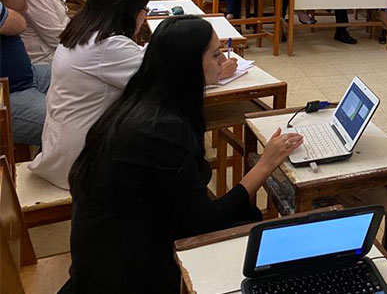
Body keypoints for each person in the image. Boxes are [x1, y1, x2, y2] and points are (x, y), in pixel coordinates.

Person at [63, 16, 304, 293]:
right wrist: (265, 164)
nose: (222, 60)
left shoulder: (140, 101)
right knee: (255, 229)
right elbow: (204, 220)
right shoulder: (163, 128)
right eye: (215, 55)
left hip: (102, 252)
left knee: (245, 212)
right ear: (188, 65)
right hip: (126, 274)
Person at [28, 0, 238, 189]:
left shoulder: (84, 29)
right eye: (144, 9)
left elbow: (138, 56)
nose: (145, 14)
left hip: (65, 141)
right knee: (177, 150)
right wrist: (214, 72)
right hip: (83, 159)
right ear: (130, 11)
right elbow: (166, 81)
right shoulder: (107, 46)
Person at [0, 0, 50, 145]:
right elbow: (17, 23)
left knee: (84, 78)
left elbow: (19, 6)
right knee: (71, 127)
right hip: (7, 93)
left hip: (27, 75)